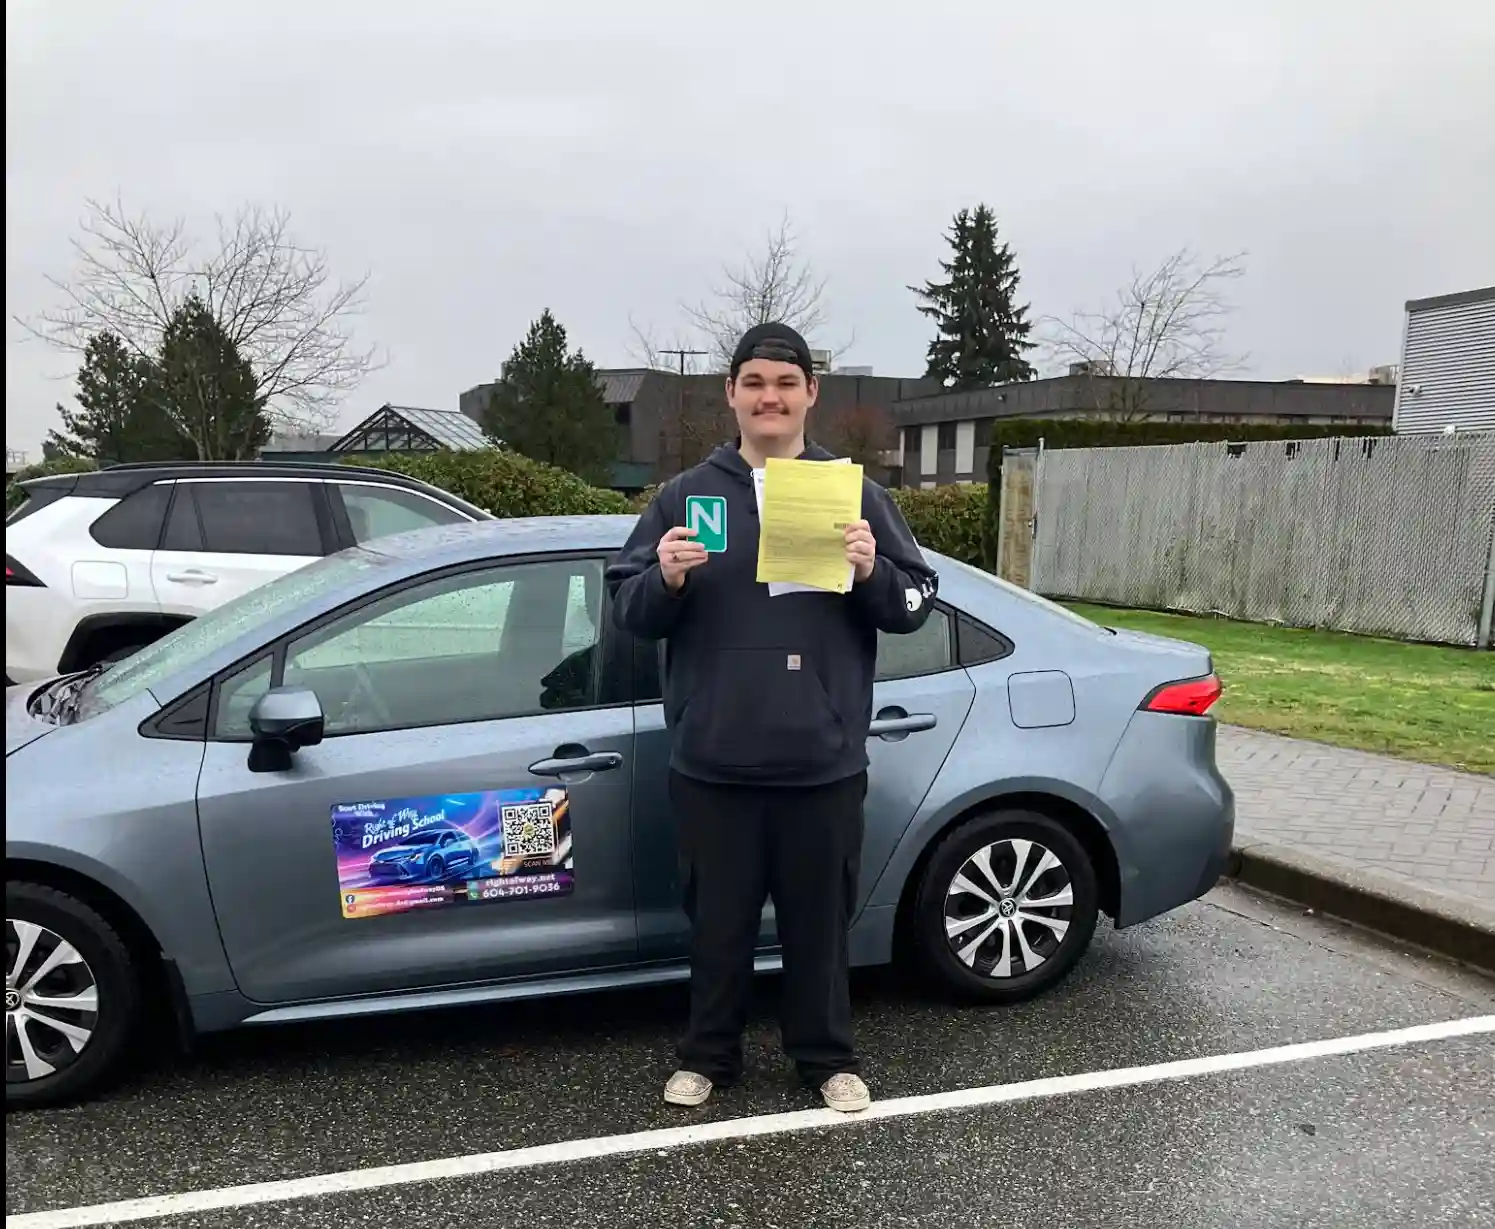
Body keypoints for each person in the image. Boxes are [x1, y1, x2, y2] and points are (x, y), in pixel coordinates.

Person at [604, 321, 939, 1114]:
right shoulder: (685, 496)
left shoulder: (854, 495)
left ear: (809, 395)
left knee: (817, 926)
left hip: (820, 761)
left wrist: (869, 571)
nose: (770, 397)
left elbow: (916, 602)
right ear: (731, 393)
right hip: (713, 761)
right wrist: (665, 579)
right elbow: (626, 609)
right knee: (715, 925)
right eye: (754, 383)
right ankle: (708, 1056)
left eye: (785, 384)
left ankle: (825, 1058)